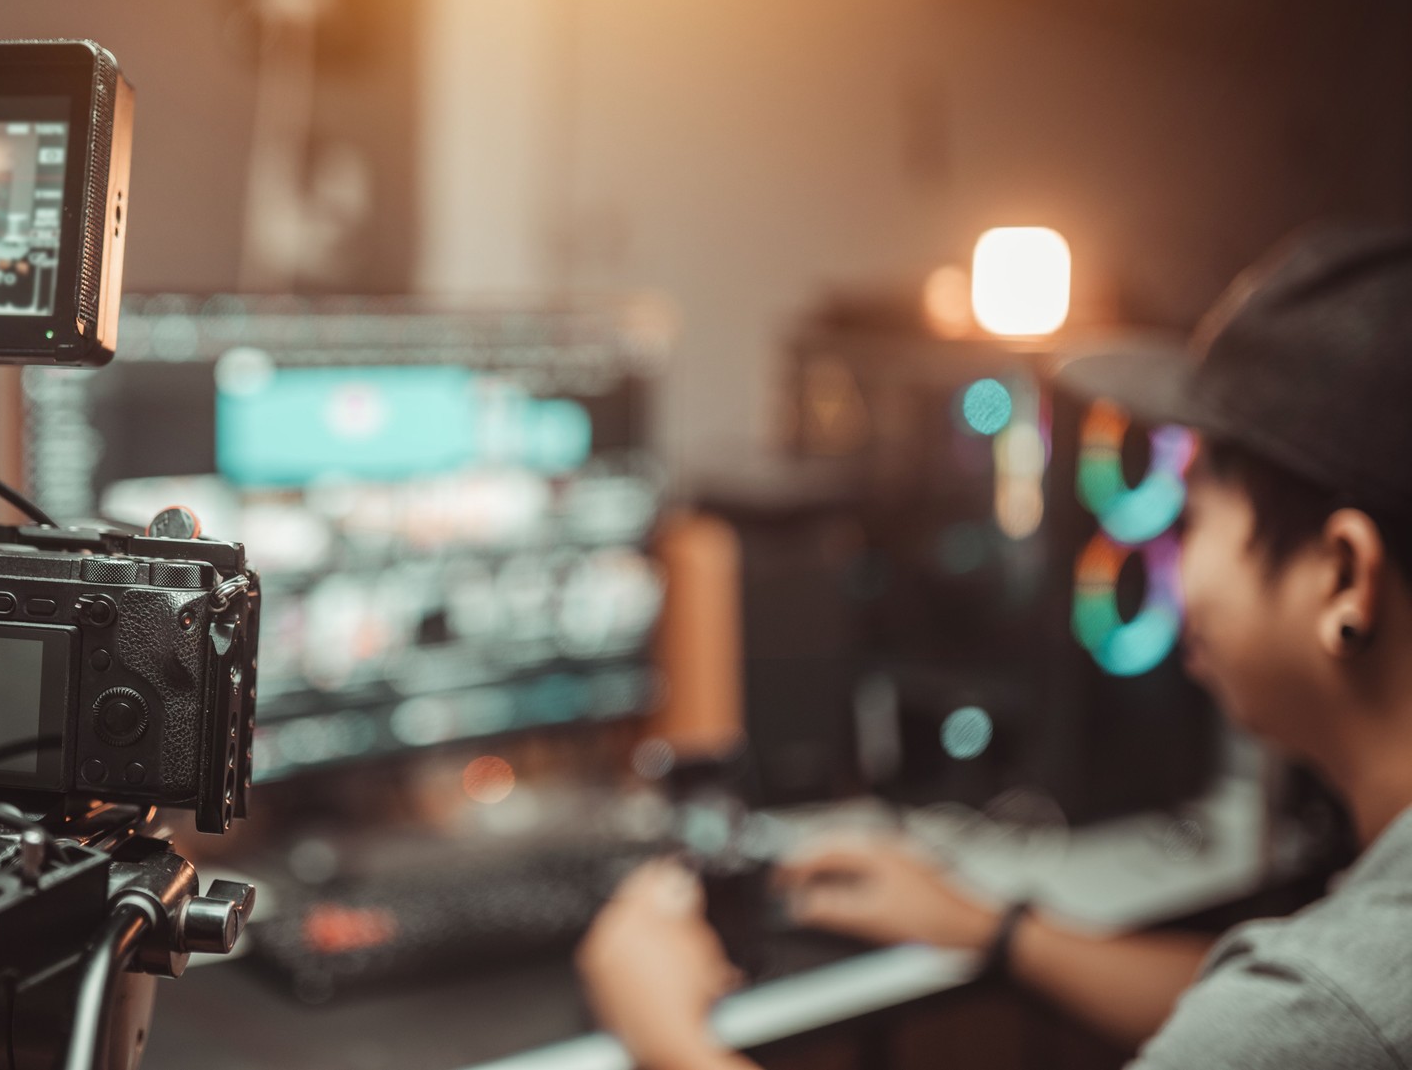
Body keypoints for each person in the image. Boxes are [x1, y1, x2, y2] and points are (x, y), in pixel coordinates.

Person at [578, 225, 1412, 1070]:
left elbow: (1292, 1022)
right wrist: (997, 931)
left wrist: (666, 1036)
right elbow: (1259, 1014)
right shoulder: (1347, 979)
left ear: (1344, 575)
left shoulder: (1336, 1001)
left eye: (1190, 518)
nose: (1169, 571)